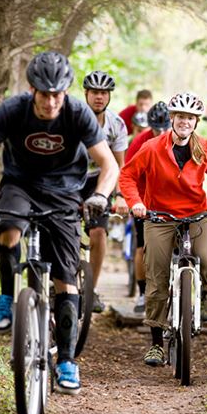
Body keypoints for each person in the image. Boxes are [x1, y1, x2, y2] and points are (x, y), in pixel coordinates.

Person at [0, 51, 118, 395]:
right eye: (44, 94)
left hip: (65, 191)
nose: (50, 101)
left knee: (65, 281)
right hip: (21, 184)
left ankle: (66, 363)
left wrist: (100, 197)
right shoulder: (13, 110)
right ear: (32, 89)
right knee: (9, 229)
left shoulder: (78, 113)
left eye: (57, 94)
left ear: (66, 91)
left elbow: (109, 164)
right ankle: (5, 296)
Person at [119, 93, 207, 367]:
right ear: (172, 119)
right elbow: (127, 175)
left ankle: (206, 294)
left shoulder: (205, 148)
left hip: (196, 214)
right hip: (159, 216)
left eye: (190, 118)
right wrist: (136, 203)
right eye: (180, 117)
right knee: (157, 273)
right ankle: (156, 344)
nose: (185, 122)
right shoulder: (152, 147)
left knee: (206, 258)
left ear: (196, 122)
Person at [81, 70, 130, 312]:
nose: (99, 97)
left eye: (103, 93)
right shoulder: (72, 118)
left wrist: (120, 194)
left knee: (98, 233)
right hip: (70, 179)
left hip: (100, 181)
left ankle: (92, 289)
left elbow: (119, 164)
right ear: (86, 94)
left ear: (108, 96)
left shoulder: (117, 124)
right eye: (94, 93)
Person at [123, 101, 172, 313]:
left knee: (179, 245)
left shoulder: (179, 139)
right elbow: (127, 174)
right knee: (143, 248)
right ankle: (143, 292)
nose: (160, 132)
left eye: (164, 128)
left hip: (172, 200)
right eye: (156, 128)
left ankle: (179, 288)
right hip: (144, 201)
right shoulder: (140, 142)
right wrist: (132, 201)